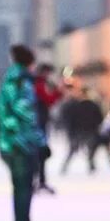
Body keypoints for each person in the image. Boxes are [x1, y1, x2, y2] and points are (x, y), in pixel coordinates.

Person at [0, 44, 46, 221]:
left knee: (20, 188)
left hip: (9, 142)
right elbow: (27, 115)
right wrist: (41, 141)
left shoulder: (10, 79)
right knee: (24, 187)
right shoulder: (21, 82)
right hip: (22, 144)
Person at [59, 87, 104, 175]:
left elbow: (70, 119)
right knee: (91, 150)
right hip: (90, 130)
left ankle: (65, 167)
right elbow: (99, 118)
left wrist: (71, 131)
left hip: (78, 131)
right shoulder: (94, 105)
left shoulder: (75, 105)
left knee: (72, 150)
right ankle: (91, 166)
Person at [33, 63, 63, 193]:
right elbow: (48, 100)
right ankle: (39, 180)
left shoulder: (37, 83)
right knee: (41, 152)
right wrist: (58, 91)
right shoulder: (38, 85)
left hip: (39, 122)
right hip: (39, 123)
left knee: (40, 153)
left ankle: (40, 180)